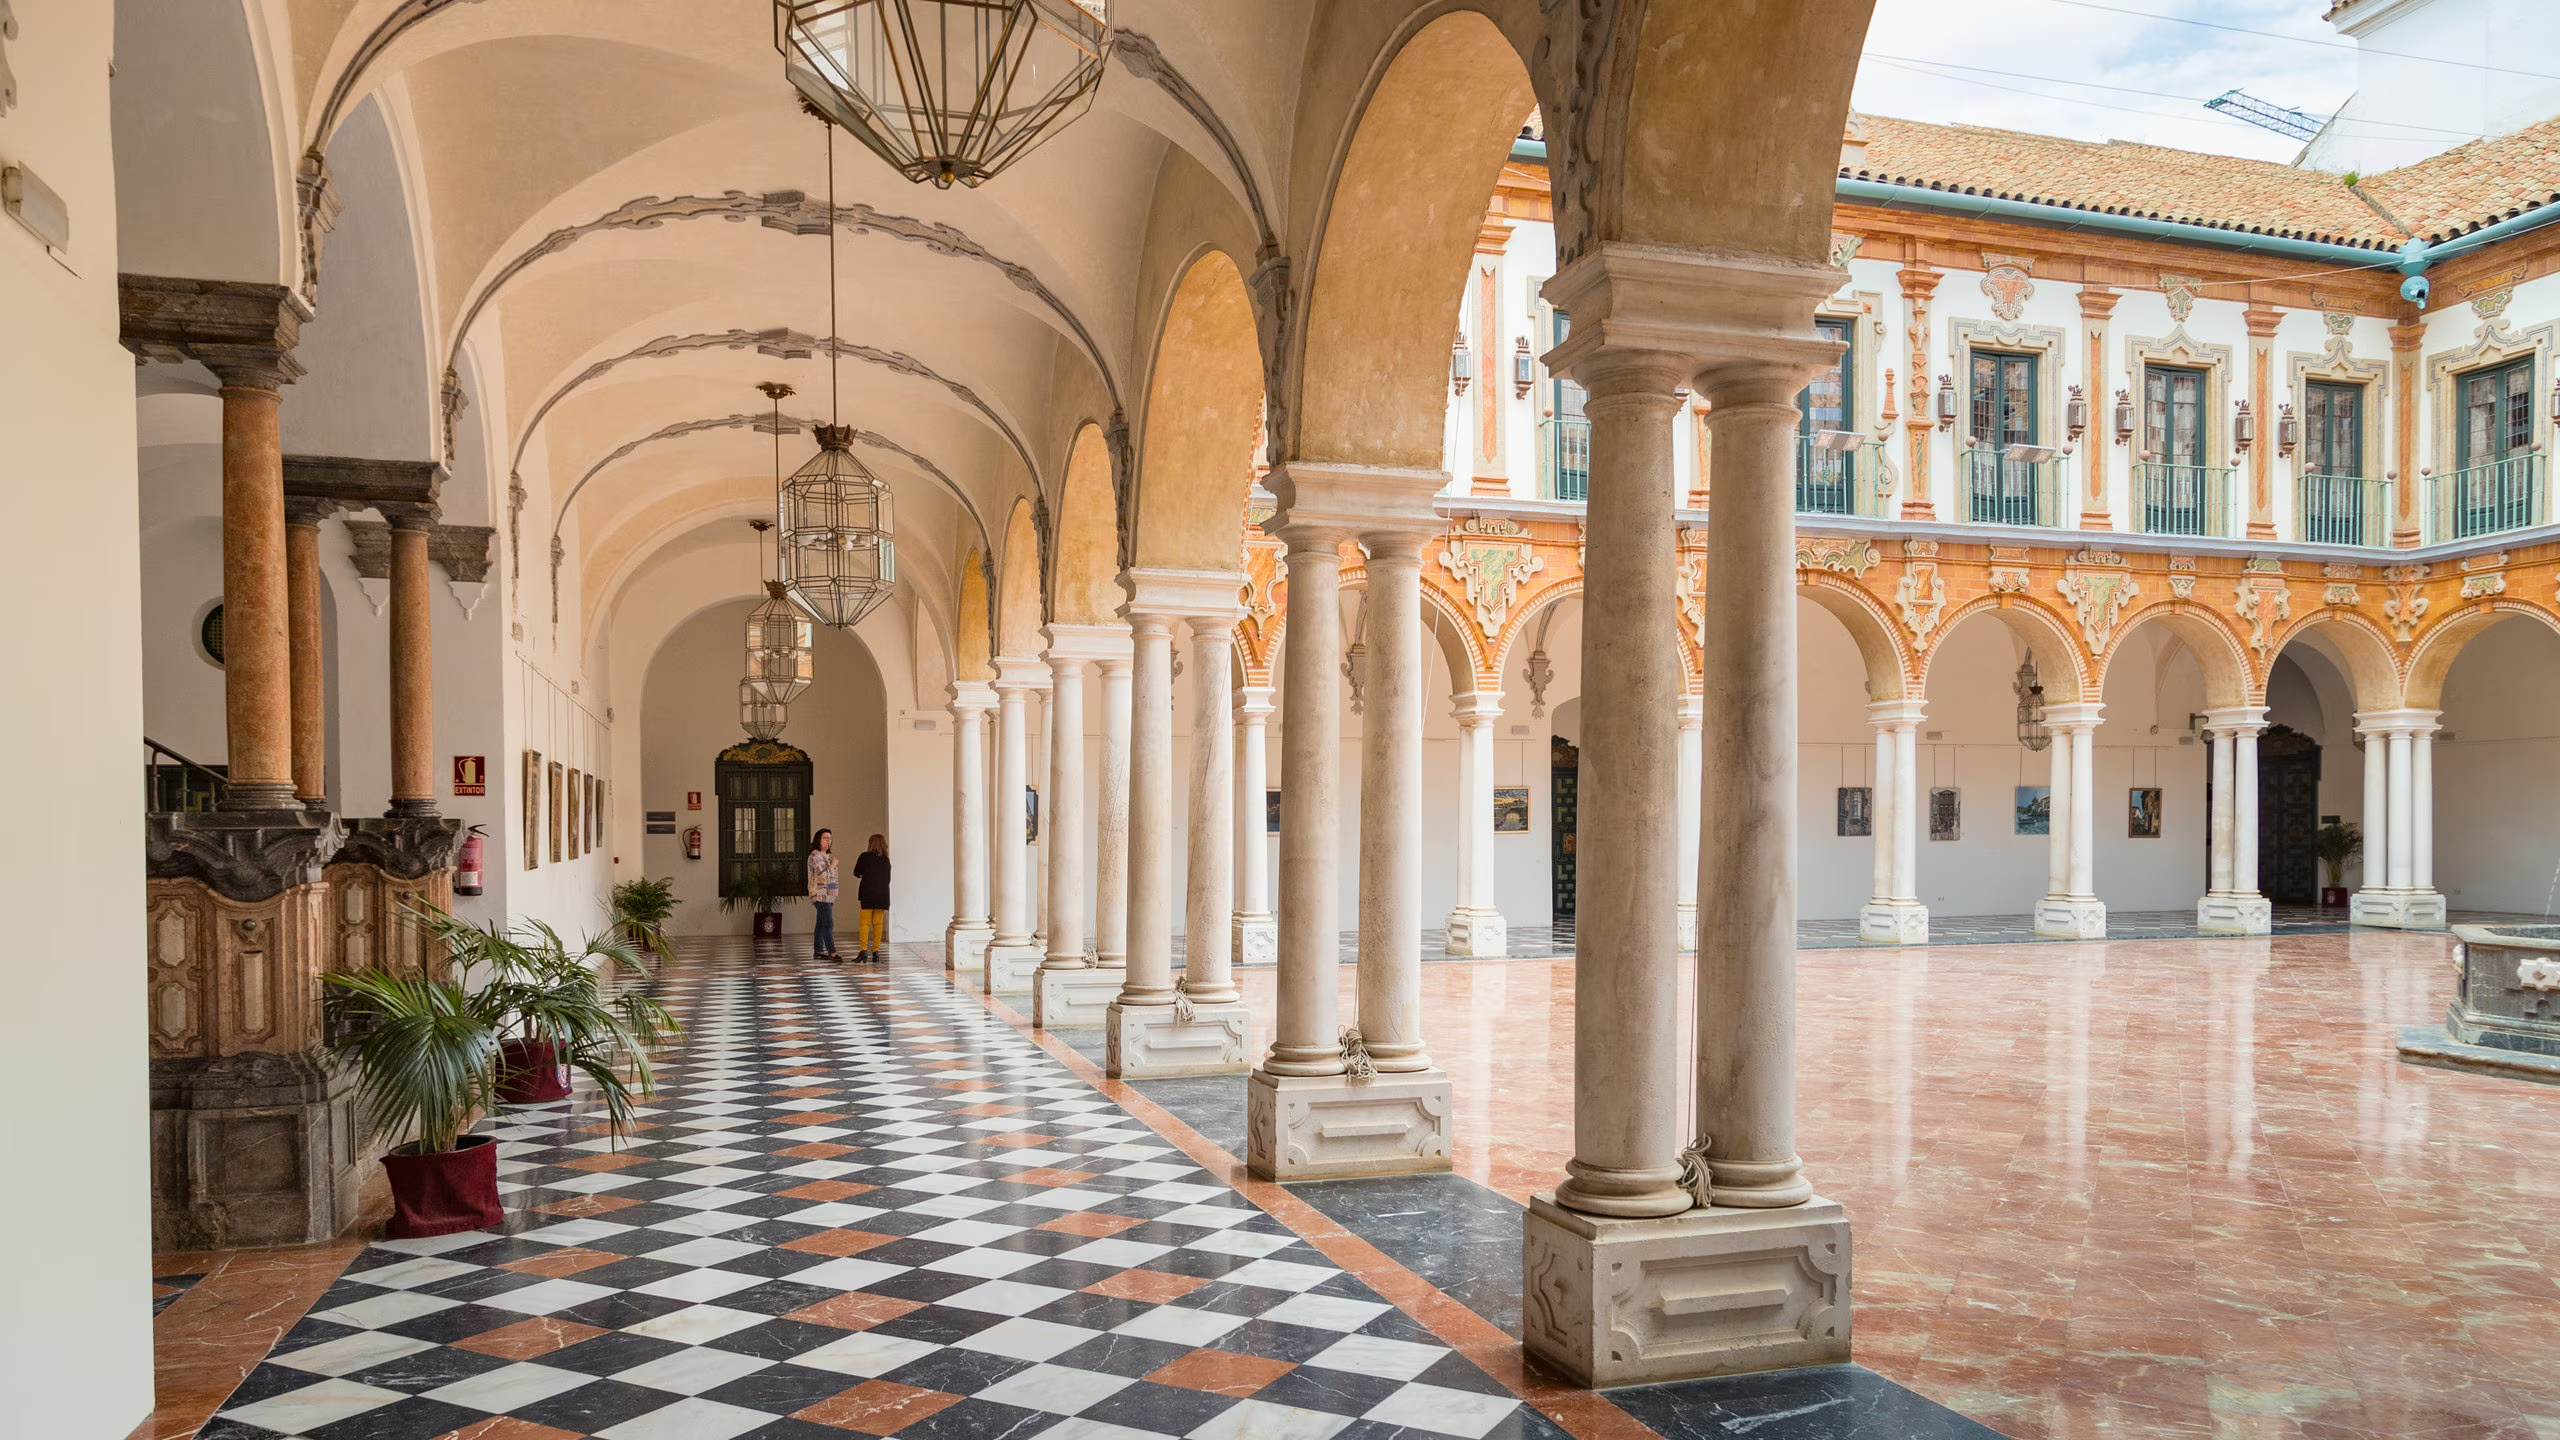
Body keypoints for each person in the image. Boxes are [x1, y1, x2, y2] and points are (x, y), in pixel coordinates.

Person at [851, 833, 891, 963]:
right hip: (882, 895)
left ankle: (863, 951)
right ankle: (876, 952)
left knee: (864, 923)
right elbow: (888, 879)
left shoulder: (864, 856)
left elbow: (856, 872)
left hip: (867, 894)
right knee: (878, 924)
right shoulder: (886, 860)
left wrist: (866, 876)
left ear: (871, 844)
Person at [806, 829, 841, 962]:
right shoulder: (815, 856)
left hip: (829, 893)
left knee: (821, 922)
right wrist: (833, 865)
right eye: (825, 838)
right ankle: (832, 952)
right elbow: (823, 875)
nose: (828, 840)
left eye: (830, 838)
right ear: (818, 840)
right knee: (828, 923)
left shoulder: (826, 856)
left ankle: (818, 951)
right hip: (820, 893)